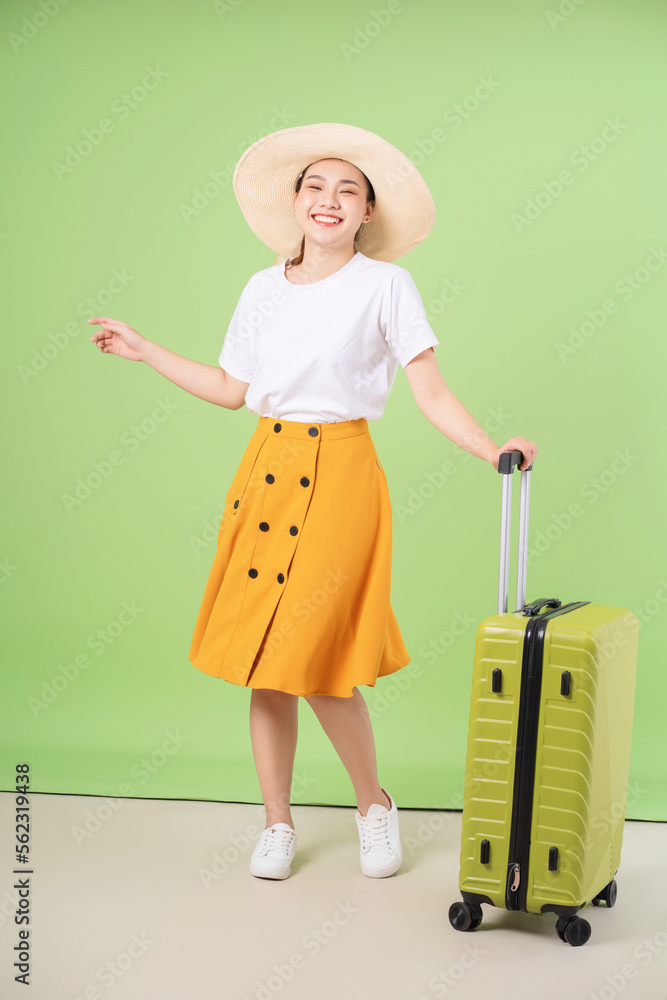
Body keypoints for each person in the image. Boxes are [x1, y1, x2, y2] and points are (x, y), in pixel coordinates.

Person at [88, 122, 538, 883]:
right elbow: (233, 391)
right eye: (315, 186)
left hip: (342, 473)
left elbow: (428, 390)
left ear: (366, 212)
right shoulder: (261, 289)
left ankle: (372, 805)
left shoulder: (386, 286)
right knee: (266, 661)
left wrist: (491, 446)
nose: (329, 201)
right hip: (265, 466)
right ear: (295, 202)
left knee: (322, 660)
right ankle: (276, 823)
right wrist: (146, 350)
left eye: (347, 191)